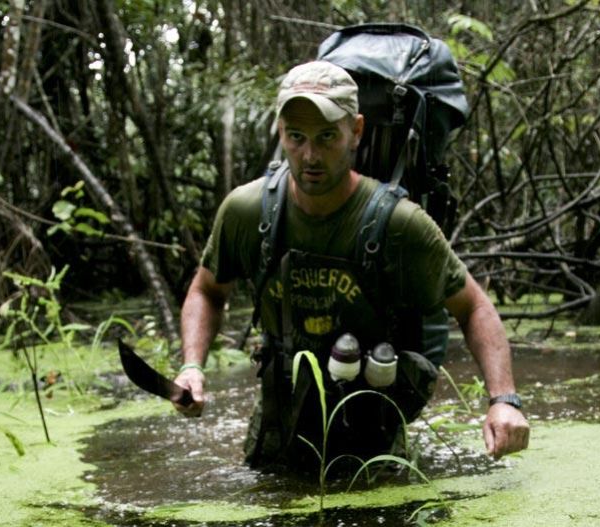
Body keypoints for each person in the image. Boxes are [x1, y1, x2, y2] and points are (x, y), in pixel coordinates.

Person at [174, 60, 529, 470]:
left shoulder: (399, 223)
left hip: (372, 435)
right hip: (278, 429)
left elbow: (473, 306)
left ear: (355, 131)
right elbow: (206, 290)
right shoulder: (247, 211)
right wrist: (191, 366)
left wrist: (504, 401)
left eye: (327, 137)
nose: (310, 155)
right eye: (296, 137)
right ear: (280, 132)